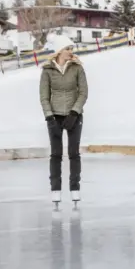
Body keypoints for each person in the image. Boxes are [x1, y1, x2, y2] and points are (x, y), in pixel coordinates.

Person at [40, 34, 89, 209]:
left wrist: (74, 113)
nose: (71, 52)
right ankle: (55, 190)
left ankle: (75, 188)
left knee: (74, 153)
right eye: (68, 49)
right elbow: (44, 96)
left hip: (74, 116)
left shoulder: (77, 68)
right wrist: (49, 117)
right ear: (60, 51)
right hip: (54, 116)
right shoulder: (47, 70)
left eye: (72, 49)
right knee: (56, 154)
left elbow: (83, 93)